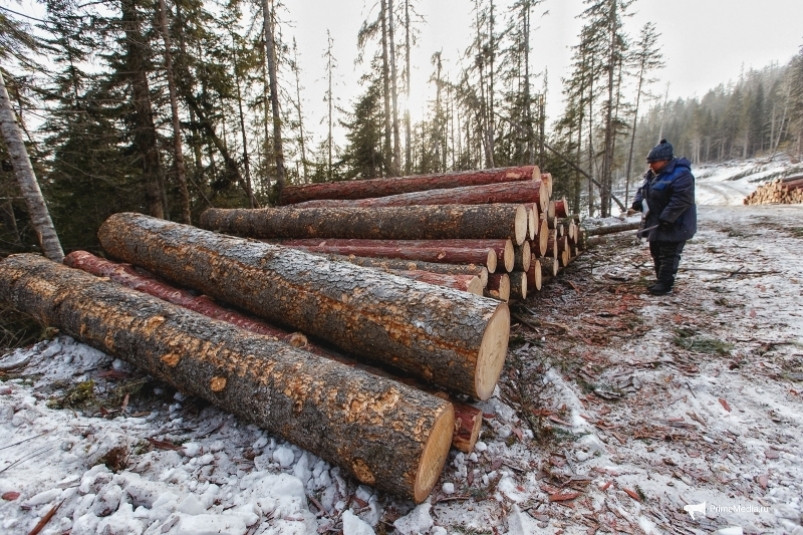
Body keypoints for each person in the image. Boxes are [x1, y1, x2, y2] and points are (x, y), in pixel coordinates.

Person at [628, 139, 697, 295]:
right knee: (656, 251)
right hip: (656, 220)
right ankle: (660, 279)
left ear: (665, 160)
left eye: (654, 162)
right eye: (649, 163)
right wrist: (637, 202)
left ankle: (665, 284)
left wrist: (668, 218)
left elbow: (682, 199)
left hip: (676, 223)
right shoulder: (653, 175)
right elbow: (642, 190)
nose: (651, 166)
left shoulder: (681, 174)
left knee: (669, 254)